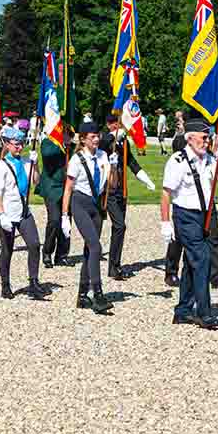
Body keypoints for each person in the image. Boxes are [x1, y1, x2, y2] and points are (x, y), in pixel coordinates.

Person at [160, 118, 218, 330]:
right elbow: (166, 193)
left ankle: (183, 310)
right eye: (204, 138)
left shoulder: (210, 159)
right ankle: (204, 313)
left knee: (191, 265)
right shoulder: (177, 161)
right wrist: (165, 222)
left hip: (204, 216)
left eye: (208, 138)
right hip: (185, 216)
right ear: (190, 138)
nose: (207, 141)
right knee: (203, 259)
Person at [62, 119, 112, 314]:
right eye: (93, 137)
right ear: (83, 140)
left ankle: (82, 294)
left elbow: (112, 184)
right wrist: (65, 216)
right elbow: (68, 189)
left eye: (97, 136)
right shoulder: (76, 160)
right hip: (80, 203)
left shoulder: (103, 156)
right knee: (95, 246)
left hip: (96, 205)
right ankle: (97, 293)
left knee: (89, 250)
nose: (97, 139)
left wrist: (112, 168)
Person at [100, 110, 157, 281]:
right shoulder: (105, 140)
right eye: (117, 124)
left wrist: (145, 179)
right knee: (119, 226)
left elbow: (131, 162)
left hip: (121, 190)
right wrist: (112, 137)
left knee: (119, 228)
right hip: (107, 190)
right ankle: (105, 264)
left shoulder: (123, 142)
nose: (121, 127)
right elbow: (103, 144)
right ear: (110, 125)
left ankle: (114, 265)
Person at [0, 125, 45, 300]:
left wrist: (35, 165)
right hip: (7, 213)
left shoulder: (26, 162)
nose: (19, 147)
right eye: (15, 144)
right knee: (7, 251)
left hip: (23, 212)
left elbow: (36, 181)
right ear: (6, 144)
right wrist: (1, 215)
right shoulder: (1, 167)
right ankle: (5, 285)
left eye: (21, 144)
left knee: (35, 245)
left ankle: (34, 281)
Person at [37, 121, 73, 268]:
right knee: (54, 221)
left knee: (66, 221)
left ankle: (62, 255)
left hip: (67, 188)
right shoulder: (48, 143)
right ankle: (47, 252)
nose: (68, 136)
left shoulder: (71, 147)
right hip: (52, 187)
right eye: (65, 133)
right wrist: (62, 146)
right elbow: (47, 154)